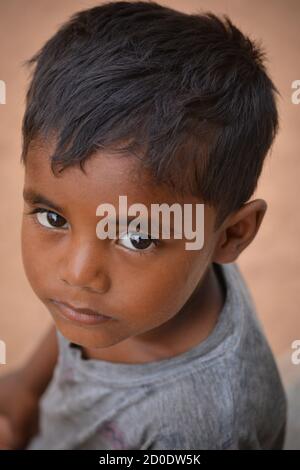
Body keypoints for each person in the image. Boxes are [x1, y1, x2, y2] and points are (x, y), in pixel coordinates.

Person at [0, 1, 286, 450]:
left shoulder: (205, 427)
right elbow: (68, 320)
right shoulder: (155, 279)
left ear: (231, 234)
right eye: (54, 218)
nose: (77, 273)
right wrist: (25, 387)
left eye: (137, 238)